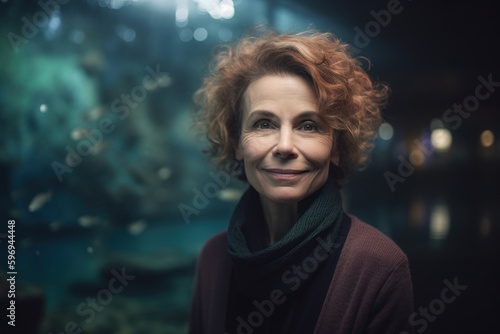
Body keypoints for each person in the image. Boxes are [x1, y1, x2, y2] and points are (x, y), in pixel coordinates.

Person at [188, 29, 414, 334]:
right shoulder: (212, 258)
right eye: (264, 123)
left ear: (336, 146)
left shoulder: (379, 267)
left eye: (308, 125)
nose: (284, 146)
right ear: (237, 141)